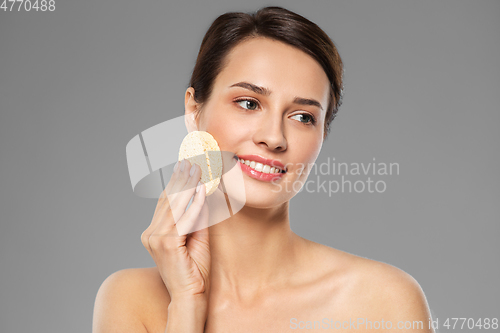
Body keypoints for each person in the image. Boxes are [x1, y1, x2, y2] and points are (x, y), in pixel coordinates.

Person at [93, 6, 434, 332]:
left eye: (303, 117)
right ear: (194, 111)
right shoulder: (129, 300)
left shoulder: (384, 302)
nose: (273, 138)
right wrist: (187, 303)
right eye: (249, 103)